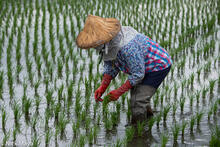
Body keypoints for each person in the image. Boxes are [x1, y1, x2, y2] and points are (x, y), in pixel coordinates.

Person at [76, 15, 172, 124]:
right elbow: (111, 64)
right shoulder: (108, 44)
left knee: (138, 100)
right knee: (137, 93)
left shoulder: (127, 47)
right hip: (142, 66)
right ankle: (148, 117)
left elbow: (138, 74)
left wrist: (118, 92)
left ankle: (139, 132)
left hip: (157, 66)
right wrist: (103, 86)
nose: (94, 46)